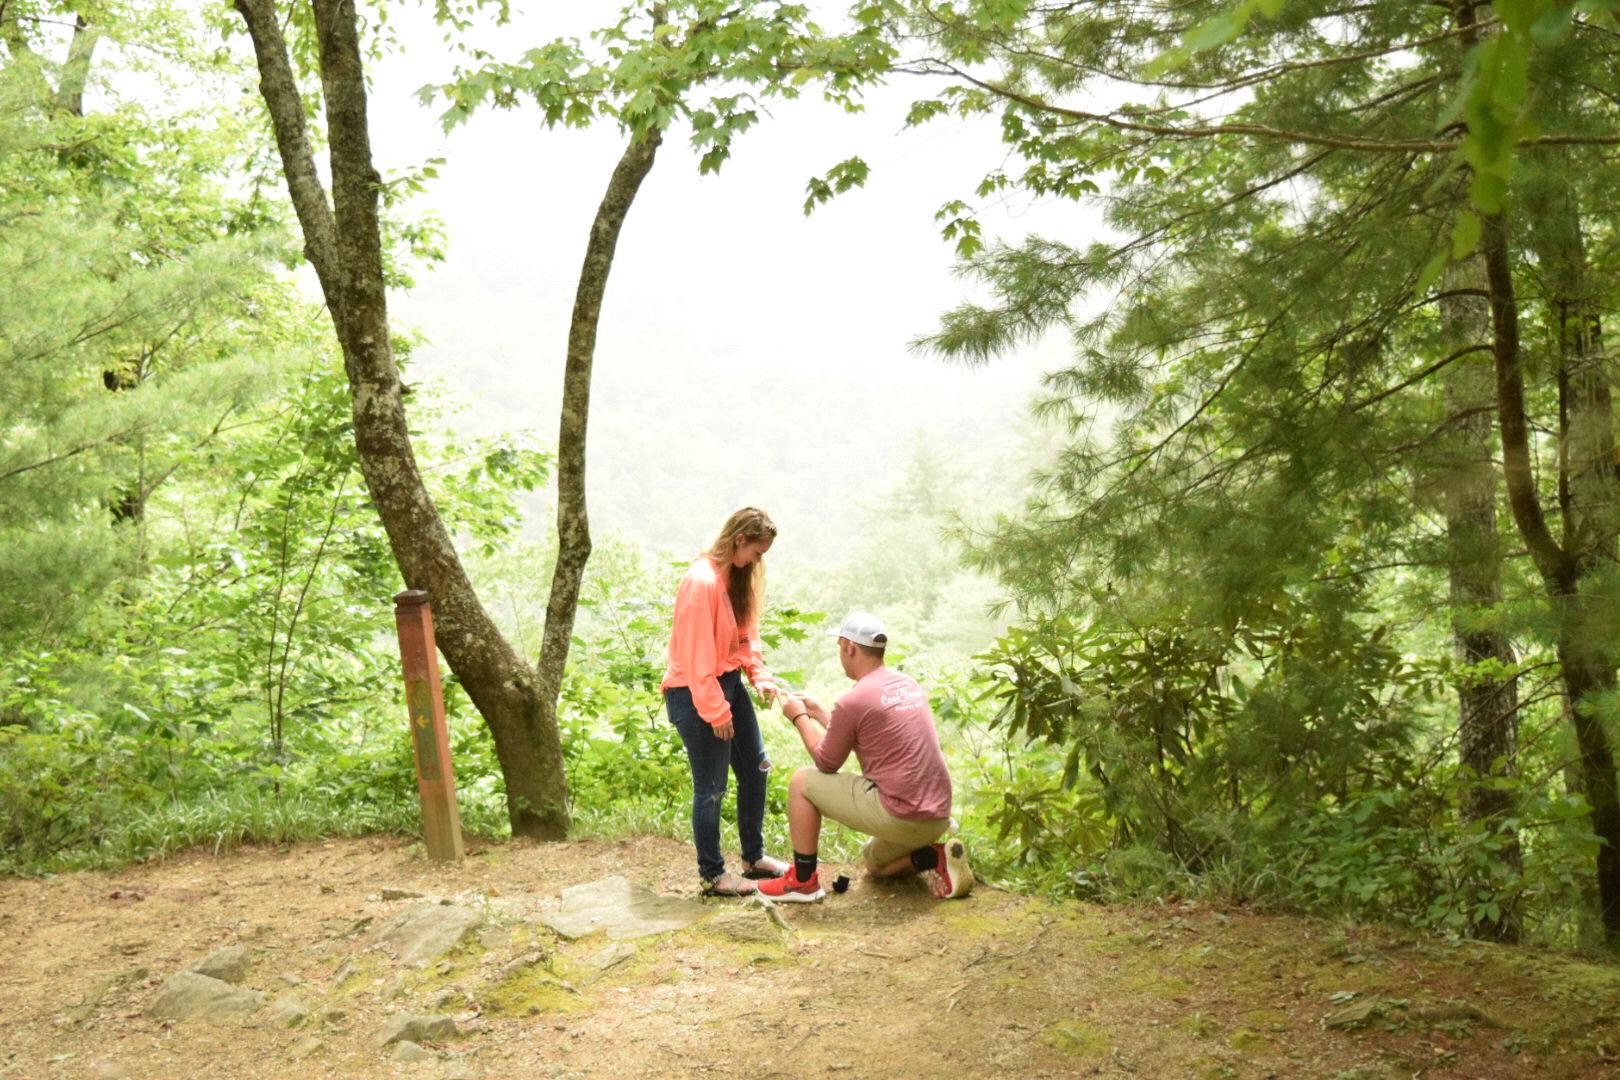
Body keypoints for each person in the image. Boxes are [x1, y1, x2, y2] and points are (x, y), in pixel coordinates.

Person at [758, 611, 972, 903]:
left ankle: (802, 881)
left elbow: (827, 761)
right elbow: (865, 733)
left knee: (800, 782)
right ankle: (934, 857)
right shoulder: (907, 684)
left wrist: (799, 718)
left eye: (839, 647)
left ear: (850, 647)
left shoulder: (854, 700)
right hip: (937, 817)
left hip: (902, 816)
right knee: (875, 863)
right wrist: (819, 712)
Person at [660, 507, 791, 896]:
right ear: (739, 540)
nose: (758, 561)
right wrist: (716, 711)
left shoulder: (736, 577)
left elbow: (745, 636)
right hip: (695, 692)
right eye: (757, 552)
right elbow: (697, 657)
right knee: (712, 787)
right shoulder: (701, 582)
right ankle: (714, 875)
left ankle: (753, 857)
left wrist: (759, 676)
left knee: (756, 767)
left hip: (727, 683)